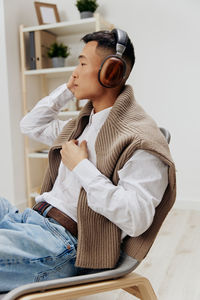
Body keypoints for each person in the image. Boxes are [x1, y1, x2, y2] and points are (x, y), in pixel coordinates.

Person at [0, 29, 176, 291]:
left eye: (82, 63)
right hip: (30, 220)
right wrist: (68, 90)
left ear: (111, 72)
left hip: (62, 245)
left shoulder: (140, 139)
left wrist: (82, 167)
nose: (75, 71)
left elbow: (136, 219)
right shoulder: (83, 124)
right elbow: (31, 125)